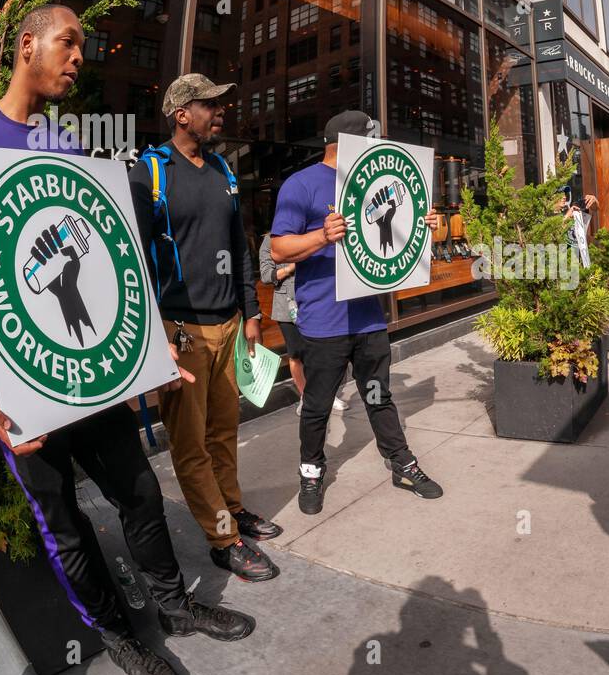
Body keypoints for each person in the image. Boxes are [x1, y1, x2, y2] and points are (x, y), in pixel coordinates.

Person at [0, 4, 255, 675]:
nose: (81, 55)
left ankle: (174, 604)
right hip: (23, 389)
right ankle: (121, 638)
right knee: (65, 528)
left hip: (91, 381)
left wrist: (144, 350)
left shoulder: (69, 146)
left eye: (82, 45)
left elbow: (112, 261)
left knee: (139, 491)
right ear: (26, 47)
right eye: (68, 42)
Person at [129, 74, 282, 583]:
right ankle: (223, 539)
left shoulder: (222, 169)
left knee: (224, 432)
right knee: (191, 445)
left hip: (230, 325)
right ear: (181, 114)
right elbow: (132, 260)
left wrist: (252, 315)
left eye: (221, 104)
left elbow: (239, 247)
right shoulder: (149, 173)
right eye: (210, 105)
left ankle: (233, 510)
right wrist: (155, 337)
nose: (221, 112)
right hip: (181, 331)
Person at [269, 111, 445, 515]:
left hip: (367, 316)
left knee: (379, 395)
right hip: (323, 318)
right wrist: (321, 235)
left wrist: (423, 222)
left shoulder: (372, 182)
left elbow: (394, 232)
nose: (378, 145)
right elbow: (279, 249)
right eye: (372, 138)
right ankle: (311, 472)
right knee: (317, 404)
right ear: (345, 143)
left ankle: (402, 462)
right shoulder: (301, 184)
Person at [259, 234, 350, 416]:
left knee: (322, 352)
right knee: (296, 354)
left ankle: (327, 396)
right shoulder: (270, 240)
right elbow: (266, 276)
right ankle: (305, 397)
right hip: (287, 306)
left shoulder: (310, 235)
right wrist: (291, 268)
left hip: (317, 302)